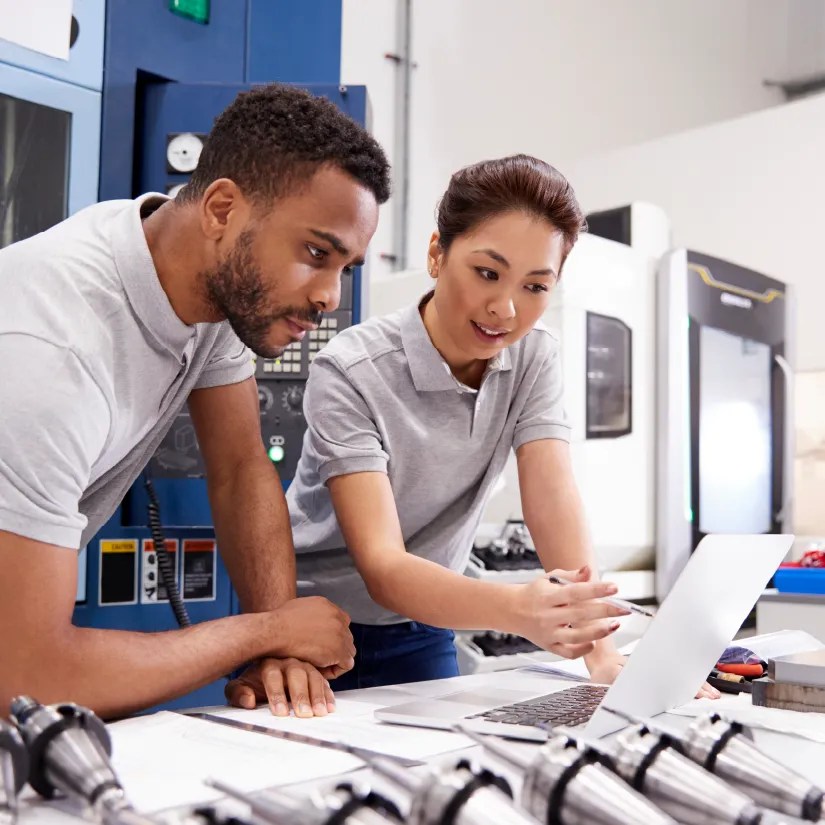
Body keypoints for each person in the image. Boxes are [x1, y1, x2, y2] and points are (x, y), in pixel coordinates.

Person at [0, 83, 391, 719]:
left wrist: (279, 653)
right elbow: (25, 675)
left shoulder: (207, 289)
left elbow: (241, 468)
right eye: (317, 253)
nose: (329, 296)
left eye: (345, 268)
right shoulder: (51, 350)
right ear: (221, 209)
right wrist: (268, 632)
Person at [287, 154, 720, 697]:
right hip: (311, 630)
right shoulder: (351, 370)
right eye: (488, 273)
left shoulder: (533, 358)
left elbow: (552, 497)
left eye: (535, 287)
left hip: (423, 624)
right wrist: (518, 608)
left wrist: (602, 655)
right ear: (436, 254)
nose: (506, 309)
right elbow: (383, 565)